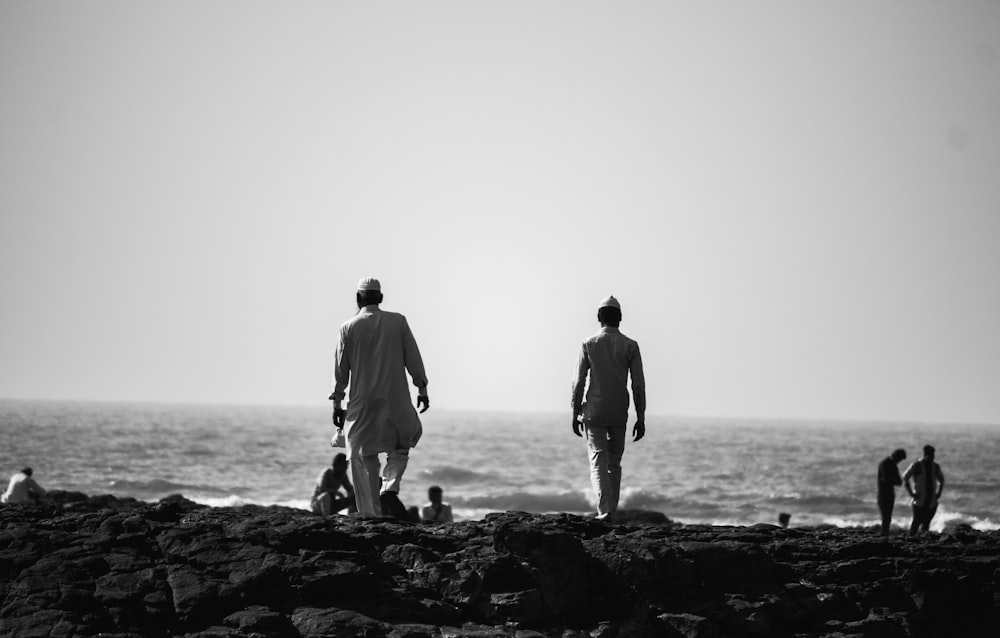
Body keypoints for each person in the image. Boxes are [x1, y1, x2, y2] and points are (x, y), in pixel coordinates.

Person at [330, 277, 429, 518]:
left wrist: (337, 403)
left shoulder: (348, 327)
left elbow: (340, 371)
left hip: (362, 403)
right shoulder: (398, 322)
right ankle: (389, 486)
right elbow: (413, 358)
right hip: (395, 399)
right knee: (402, 443)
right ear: (381, 298)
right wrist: (422, 388)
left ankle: (370, 514)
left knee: (363, 456)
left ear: (358, 298)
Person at [571, 295, 646, 522]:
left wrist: (575, 411)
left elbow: (579, 381)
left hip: (594, 410)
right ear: (620, 318)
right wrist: (640, 416)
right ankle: (611, 511)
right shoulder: (630, 346)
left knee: (598, 460)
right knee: (614, 463)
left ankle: (605, 511)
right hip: (618, 411)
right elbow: (638, 384)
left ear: (598, 318)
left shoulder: (588, 344)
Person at [903, 445, 945, 535]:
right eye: (930, 455)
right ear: (925, 454)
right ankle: (911, 540)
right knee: (916, 522)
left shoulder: (935, 466)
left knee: (926, 523)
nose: (932, 457)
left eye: (933, 455)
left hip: (932, 500)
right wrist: (911, 493)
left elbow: (941, 480)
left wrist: (939, 493)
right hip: (919, 499)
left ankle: (923, 541)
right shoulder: (916, 465)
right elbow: (905, 478)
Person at [876, 448, 907, 536]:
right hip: (883, 494)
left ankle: (884, 534)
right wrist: (892, 480)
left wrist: (890, 480)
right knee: (886, 517)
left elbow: (899, 482)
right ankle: (884, 535)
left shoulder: (892, 465)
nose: (899, 461)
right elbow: (887, 479)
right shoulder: (885, 464)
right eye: (899, 459)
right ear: (896, 456)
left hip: (889, 494)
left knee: (887, 517)